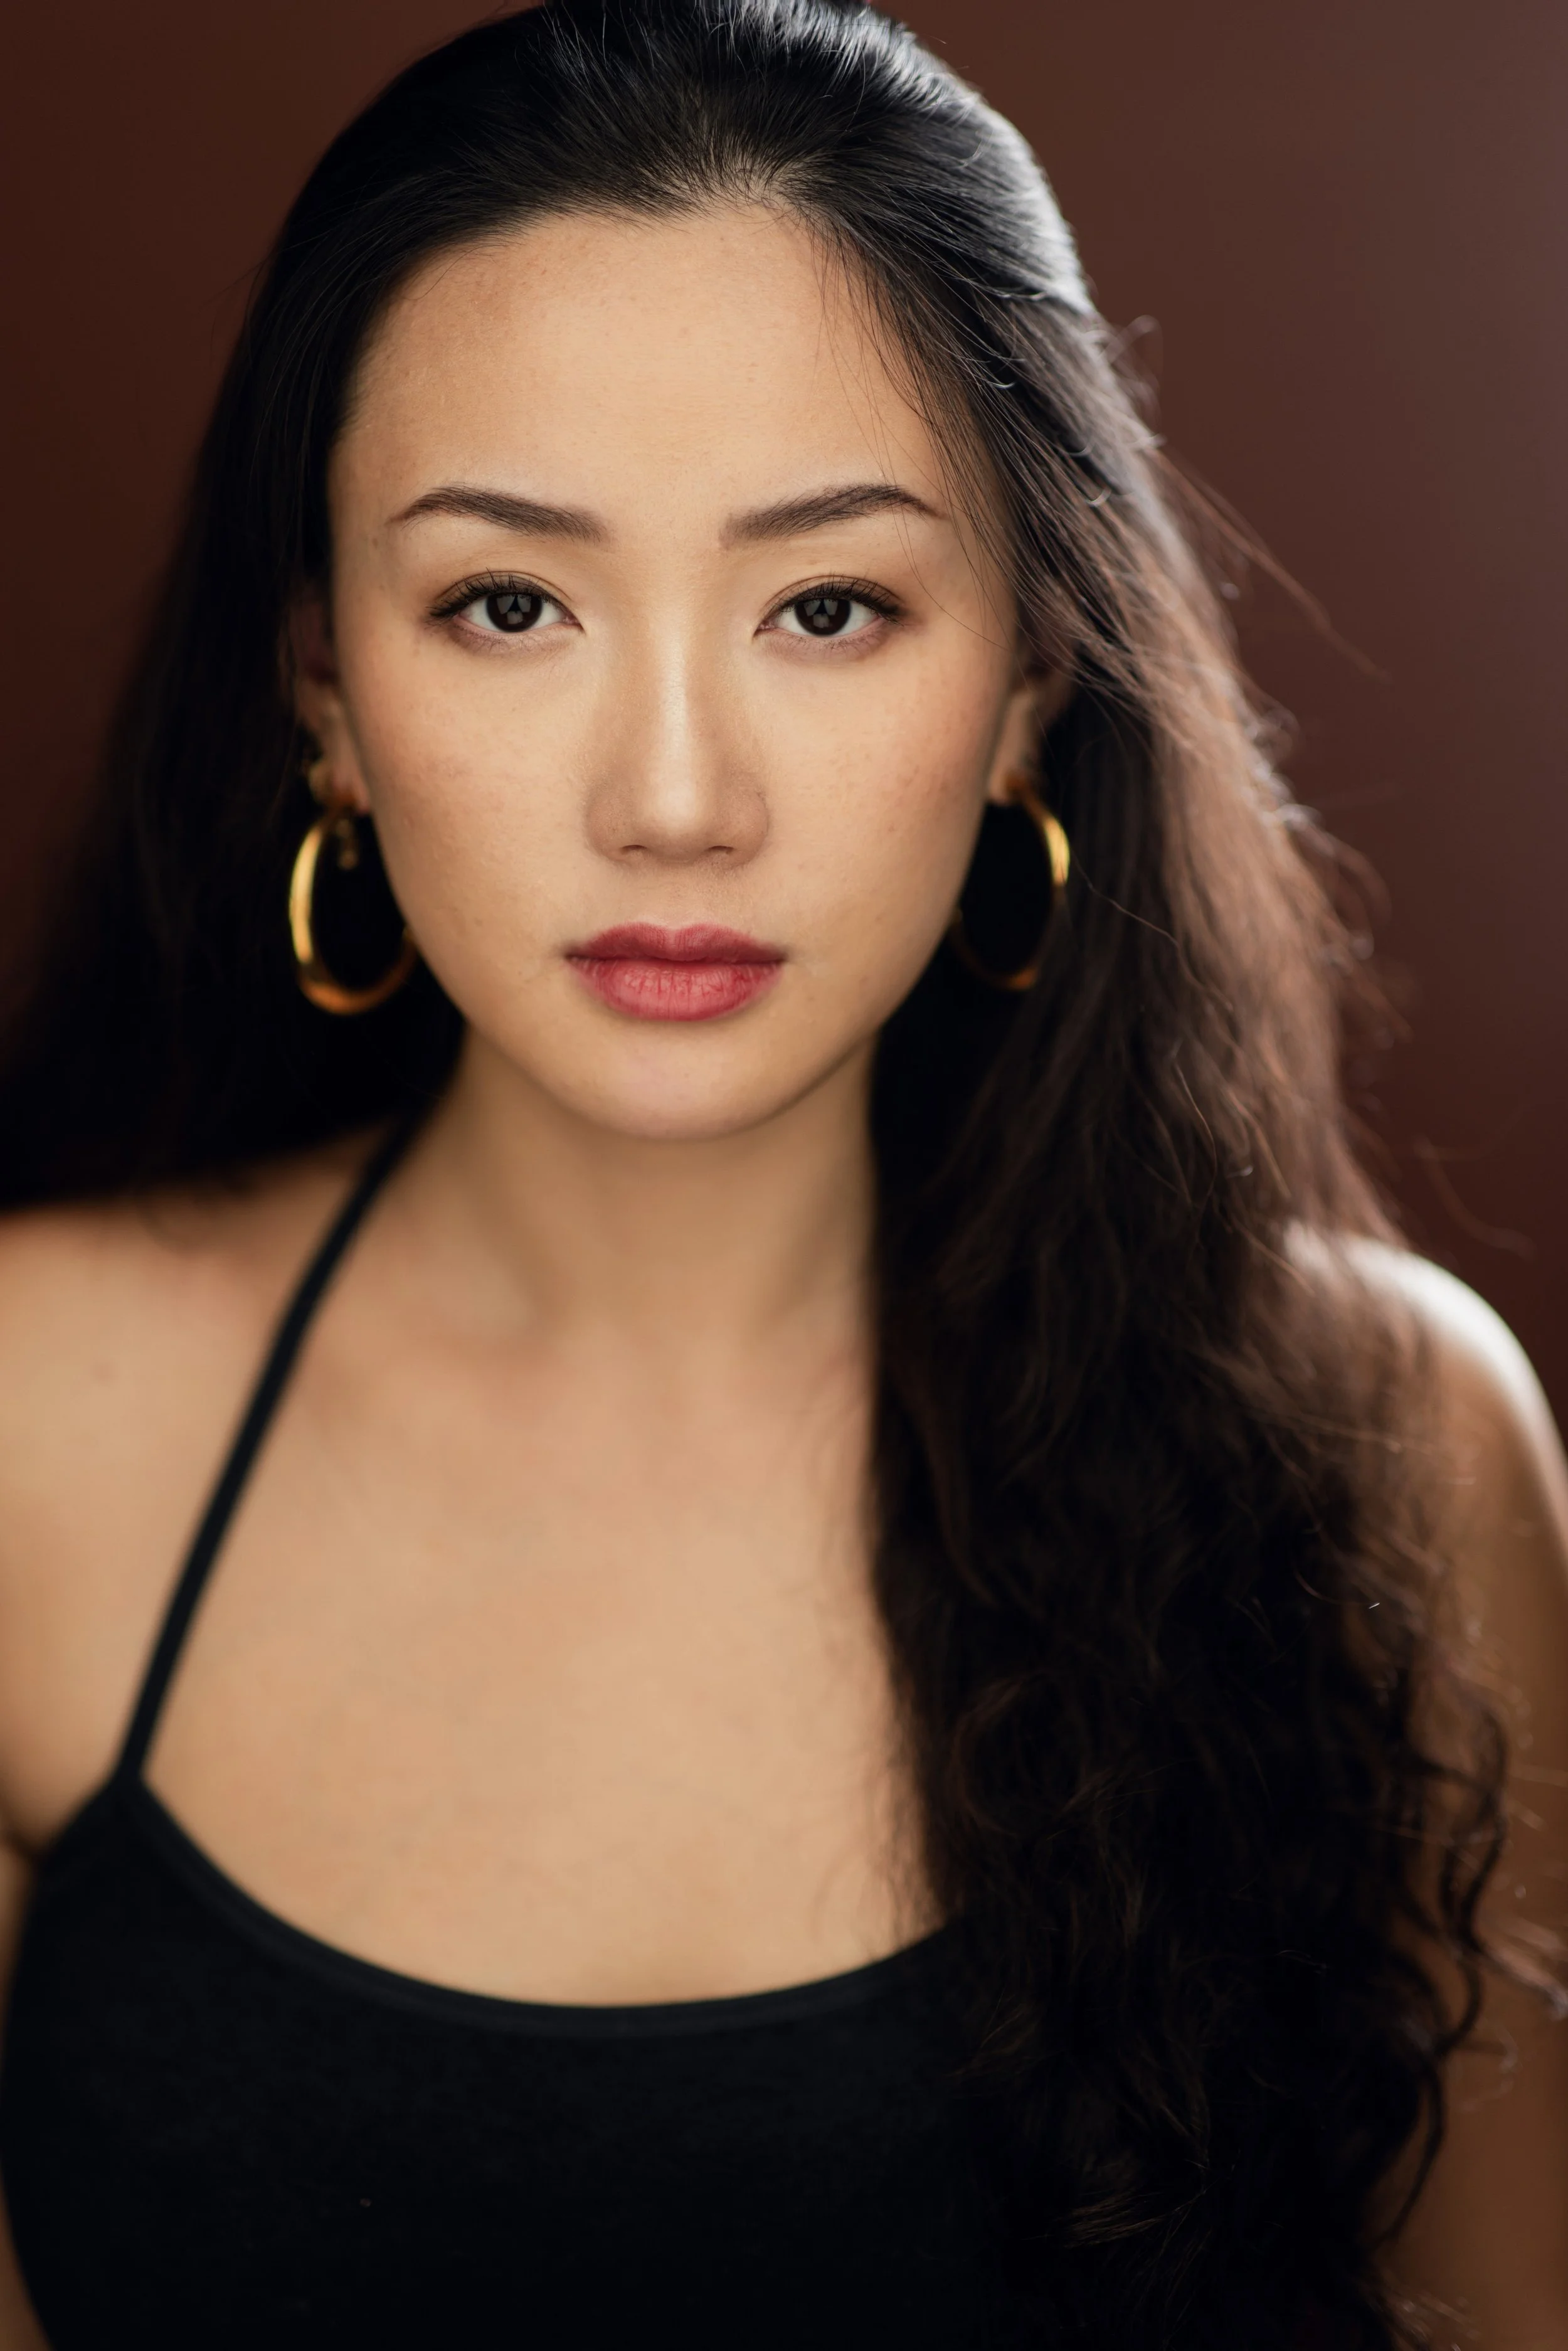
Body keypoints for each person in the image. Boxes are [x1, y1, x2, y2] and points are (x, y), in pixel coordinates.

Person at [0, 1, 1563, 2343]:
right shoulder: (29, 1426)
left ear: (1031, 674)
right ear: (324, 688)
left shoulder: (1380, 1441)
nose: (673, 795)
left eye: (827, 604)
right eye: (506, 603)